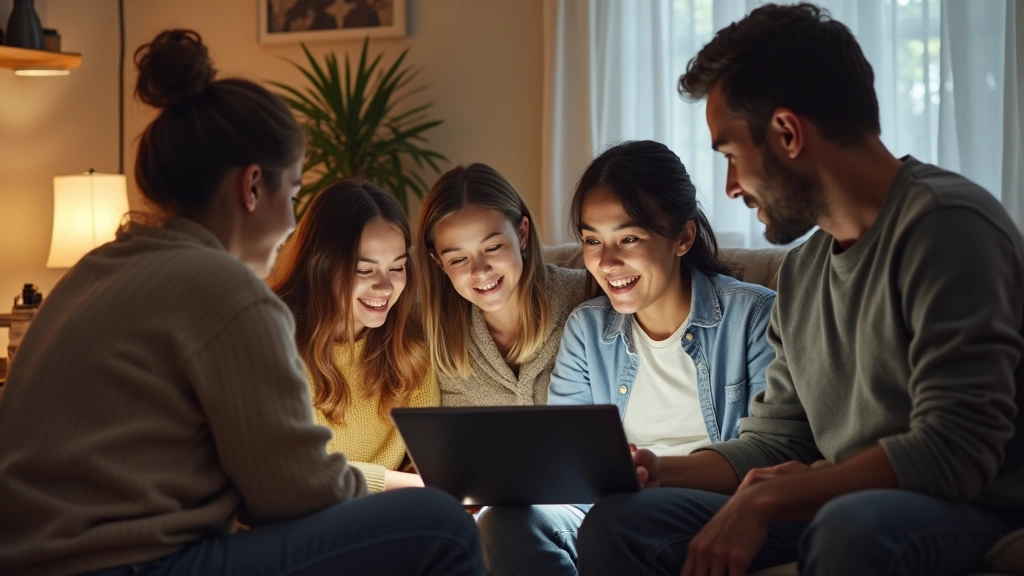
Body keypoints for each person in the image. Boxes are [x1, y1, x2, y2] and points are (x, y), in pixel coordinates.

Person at [0, 29, 482, 576]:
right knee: (441, 524)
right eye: (295, 192)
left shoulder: (97, 270)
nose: (293, 221)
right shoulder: (230, 294)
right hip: (132, 564)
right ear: (253, 187)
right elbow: (292, 492)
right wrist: (400, 489)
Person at [575, 4, 1024, 576]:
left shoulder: (947, 225)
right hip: (837, 506)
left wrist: (770, 497)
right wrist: (660, 470)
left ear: (787, 133)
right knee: (623, 520)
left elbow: (954, 450)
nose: (732, 187)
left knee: (853, 528)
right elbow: (778, 440)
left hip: (965, 509)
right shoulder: (805, 269)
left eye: (732, 155)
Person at [477, 140, 776, 576]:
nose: (606, 261)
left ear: (683, 237)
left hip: (716, 508)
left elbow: (769, 453)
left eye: (629, 237)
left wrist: (658, 473)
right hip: (606, 510)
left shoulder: (753, 316)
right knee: (505, 523)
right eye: (592, 240)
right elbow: (569, 465)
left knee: (618, 520)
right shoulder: (587, 329)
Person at [273, 180, 438, 494]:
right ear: (320, 266)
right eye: (365, 270)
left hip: (389, 516)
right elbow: (297, 469)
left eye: (398, 267)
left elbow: (425, 463)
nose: (386, 287)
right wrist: (415, 486)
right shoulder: (273, 342)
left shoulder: (412, 348)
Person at [417, 163, 588, 407]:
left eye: (493, 247)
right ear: (438, 261)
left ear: (522, 234)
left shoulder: (584, 298)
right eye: (458, 259)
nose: (480, 271)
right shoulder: (436, 336)